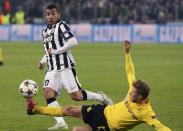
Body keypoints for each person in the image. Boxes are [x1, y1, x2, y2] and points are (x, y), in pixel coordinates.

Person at [27, 40, 171, 131]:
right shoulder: (133, 90)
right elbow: (130, 73)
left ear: (141, 97)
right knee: (69, 109)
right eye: (131, 91)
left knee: (76, 130)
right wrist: (127, 54)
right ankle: (34, 110)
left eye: (133, 93)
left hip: (106, 127)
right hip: (102, 111)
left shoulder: (146, 112)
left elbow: (160, 127)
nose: (130, 93)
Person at [38, 4, 113, 130]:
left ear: (58, 14)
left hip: (65, 66)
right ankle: (61, 122)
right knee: (48, 93)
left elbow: (73, 41)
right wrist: (43, 60)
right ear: (46, 15)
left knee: (76, 96)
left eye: (53, 13)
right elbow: (48, 49)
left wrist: (57, 51)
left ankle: (100, 97)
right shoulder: (45, 31)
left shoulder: (62, 26)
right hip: (52, 68)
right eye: (48, 14)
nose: (51, 16)